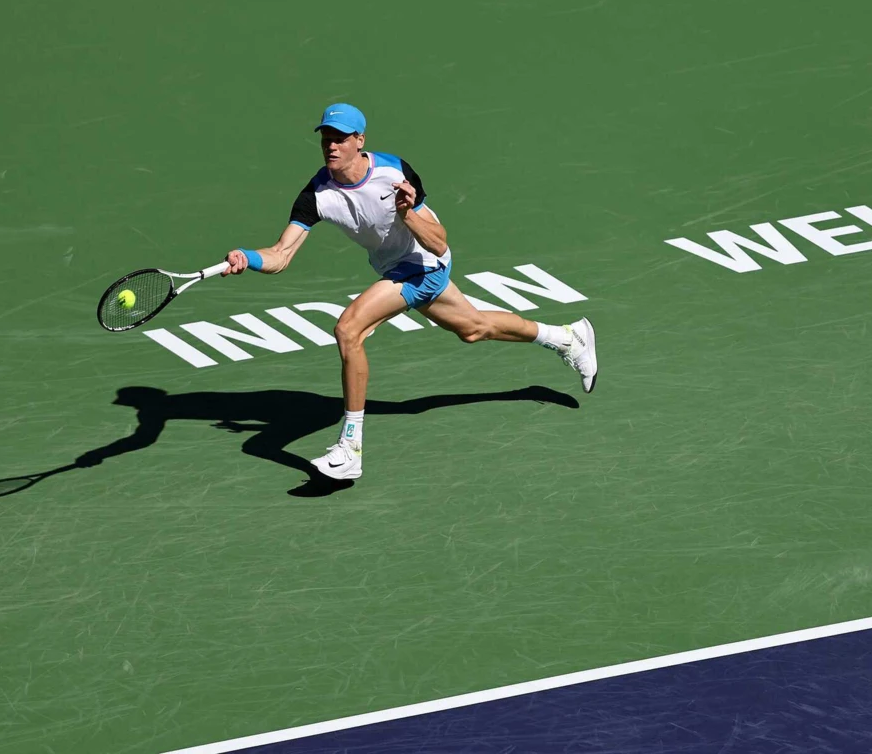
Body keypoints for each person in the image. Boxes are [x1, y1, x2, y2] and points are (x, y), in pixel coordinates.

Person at [222, 103, 597, 480]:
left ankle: (350, 447)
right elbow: (281, 255)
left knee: (349, 329)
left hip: (424, 265)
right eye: (326, 139)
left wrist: (407, 214)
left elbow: (439, 243)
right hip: (393, 268)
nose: (331, 146)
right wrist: (247, 257)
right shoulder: (317, 193)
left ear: (359, 140)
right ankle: (567, 338)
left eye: (340, 139)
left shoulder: (393, 172)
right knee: (473, 329)